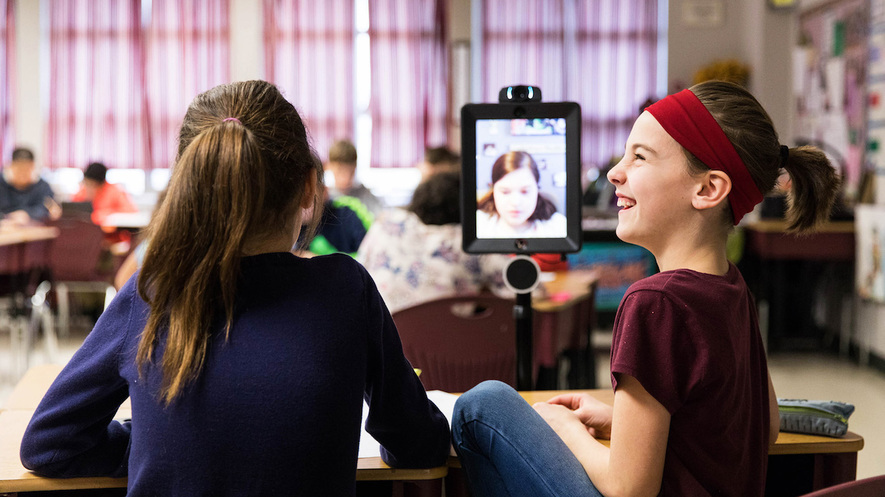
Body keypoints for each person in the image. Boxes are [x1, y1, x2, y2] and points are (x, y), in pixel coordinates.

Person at [20, 80, 449, 496]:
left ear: (187, 188)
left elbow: (49, 444)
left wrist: (145, 446)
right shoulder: (344, 288)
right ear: (307, 188)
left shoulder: (152, 293)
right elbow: (417, 443)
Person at [451, 80, 841, 497]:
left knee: (482, 405)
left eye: (639, 157)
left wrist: (568, 431)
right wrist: (621, 420)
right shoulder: (731, 285)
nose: (615, 171)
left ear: (708, 189)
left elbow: (629, 488)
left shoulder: (655, 301)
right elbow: (762, 429)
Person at [358, 171, 511, 313]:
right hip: (449, 338)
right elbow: (520, 290)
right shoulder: (469, 242)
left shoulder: (386, 225)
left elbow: (360, 271)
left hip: (383, 336)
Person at [476, 150, 567, 238]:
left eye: (525, 191)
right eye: (505, 192)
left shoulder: (558, 227)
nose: (515, 202)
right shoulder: (478, 225)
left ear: (537, 189)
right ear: (493, 190)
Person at [0, 147, 61, 225]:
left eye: (27, 168)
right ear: (10, 166)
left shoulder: (42, 186)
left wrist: (27, 214)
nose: (22, 173)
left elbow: (48, 209)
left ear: (33, 167)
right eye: (19, 168)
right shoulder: (2, 184)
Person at [325, 138, 384, 215]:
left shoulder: (364, 194)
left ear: (355, 167)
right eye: (340, 171)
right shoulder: (326, 197)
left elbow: (382, 215)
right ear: (329, 166)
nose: (345, 177)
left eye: (350, 172)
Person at [72, 161, 139, 226]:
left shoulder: (114, 191)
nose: (89, 188)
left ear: (102, 183)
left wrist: (107, 213)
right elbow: (71, 211)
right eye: (87, 183)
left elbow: (131, 210)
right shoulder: (82, 191)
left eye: (93, 185)